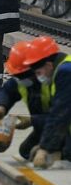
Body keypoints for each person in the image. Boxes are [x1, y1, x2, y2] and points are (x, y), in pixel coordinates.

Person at [0, 41, 51, 160]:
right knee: (26, 151)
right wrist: (0, 106)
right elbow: (6, 91)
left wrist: (33, 121)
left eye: (24, 74)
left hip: (63, 126)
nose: (22, 78)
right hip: (47, 124)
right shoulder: (24, 80)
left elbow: (61, 117)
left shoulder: (54, 81)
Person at [23, 36, 71, 168]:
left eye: (39, 72)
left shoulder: (66, 73)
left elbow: (60, 114)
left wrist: (46, 148)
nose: (39, 77)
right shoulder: (60, 69)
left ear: (49, 65)